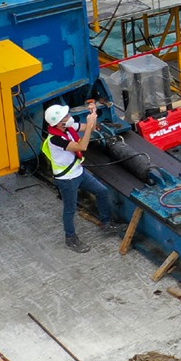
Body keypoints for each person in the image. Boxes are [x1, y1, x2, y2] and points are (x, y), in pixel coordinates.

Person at [41, 103, 114, 254]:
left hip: (78, 172)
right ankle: (70, 238)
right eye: (66, 116)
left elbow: (90, 128)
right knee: (70, 209)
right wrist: (89, 126)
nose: (69, 117)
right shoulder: (55, 139)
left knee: (102, 191)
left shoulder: (68, 127)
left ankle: (106, 223)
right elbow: (82, 147)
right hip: (67, 179)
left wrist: (93, 118)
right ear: (59, 123)